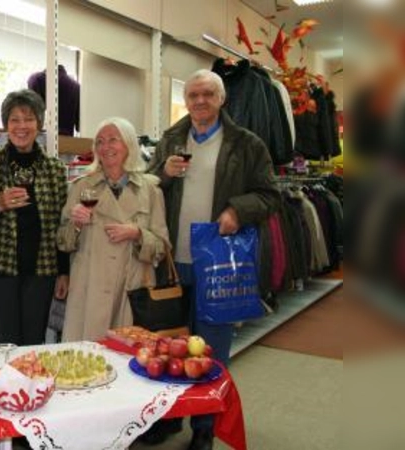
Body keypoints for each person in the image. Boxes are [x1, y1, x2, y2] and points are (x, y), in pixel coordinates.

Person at [147, 69, 279, 450]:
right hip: (173, 261)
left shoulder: (247, 144)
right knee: (170, 345)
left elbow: (270, 195)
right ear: (186, 100)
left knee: (211, 350)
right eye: (193, 95)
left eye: (208, 94)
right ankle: (170, 417)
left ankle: (204, 426)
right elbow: (147, 186)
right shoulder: (171, 139)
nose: (200, 101)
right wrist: (163, 173)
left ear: (222, 99)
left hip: (217, 263)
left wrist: (238, 210)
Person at [0, 89, 69, 347]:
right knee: (4, 344)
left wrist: (63, 272)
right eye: (14, 119)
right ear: (6, 125)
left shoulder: (55, 169)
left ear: (39, 124)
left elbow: (62, 226)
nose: (21, 126)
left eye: (29, 119)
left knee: (33, 343)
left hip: (42, 271)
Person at [57, 117, 169, 342]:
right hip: (89, 293)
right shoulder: (81, 187)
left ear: (129, 144)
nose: (105, 147)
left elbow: (162, 247)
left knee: (124, 355)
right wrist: (76, 224)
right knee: (88, 357)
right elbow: (62, 241)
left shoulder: (151, 191)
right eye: (99, 141)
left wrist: (137, 234)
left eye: (113, 140)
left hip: (130, 292)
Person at [27, 65, 80, 136]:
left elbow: (34, 107)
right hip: (66, 137)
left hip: (44, 135)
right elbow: (79, 124)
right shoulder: (77, 86)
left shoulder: (36, 78)